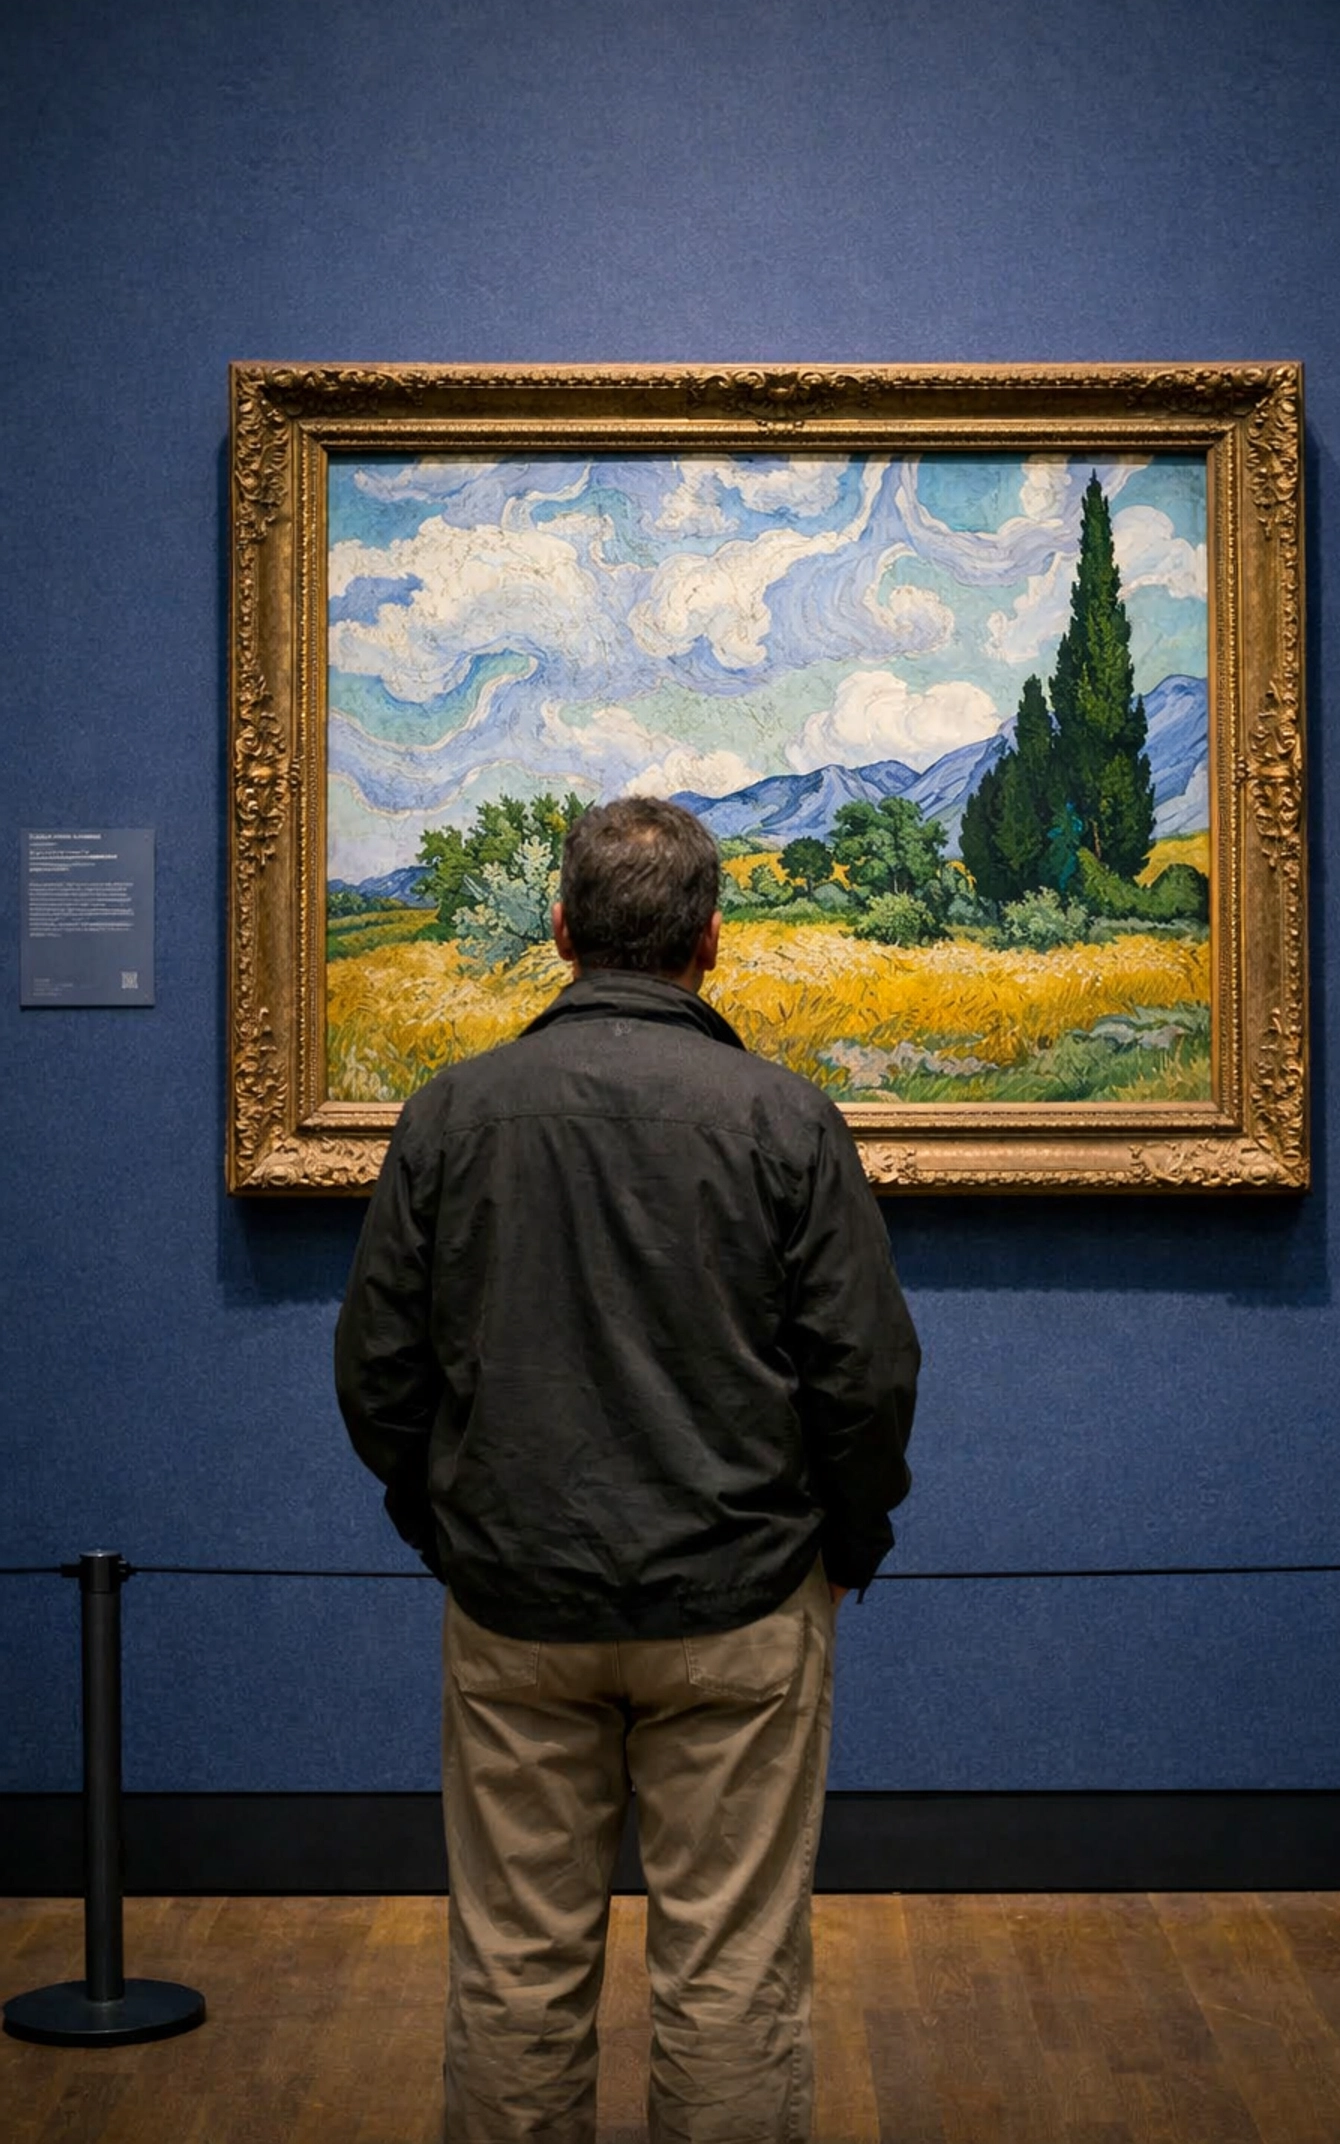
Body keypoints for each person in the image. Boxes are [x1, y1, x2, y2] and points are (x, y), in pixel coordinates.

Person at [335, 795, 919, 2144]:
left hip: (515, 1605)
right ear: (713, 941)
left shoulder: (450, 1114)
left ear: (559, 931)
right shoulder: (785, 1118)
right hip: (742, 1601)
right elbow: (867, 1374)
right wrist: (850, 1541)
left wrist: (452, 1525)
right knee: (731, 1975)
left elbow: (377, 1372)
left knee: (515, 1972)